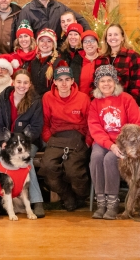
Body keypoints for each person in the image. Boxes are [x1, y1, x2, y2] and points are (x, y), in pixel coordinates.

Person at [88, 65, 140, 220]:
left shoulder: (126, 99)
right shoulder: (95, 103)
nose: (106, 84)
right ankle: (101, 202)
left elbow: (139, 125)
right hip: (104, 142)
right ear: (97, 84)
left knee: (109, 159)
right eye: (102, 81)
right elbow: (95, 129)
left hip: (125, 143)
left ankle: (113, 202)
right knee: (96, 157)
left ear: (115, 82)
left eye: (109, 80)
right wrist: (110, 145)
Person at [0, 69, 45, 219]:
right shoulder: (3, 99)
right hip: (7, 142)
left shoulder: (35, 101)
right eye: (19, 82)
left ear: (30, 84)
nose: (22, 85)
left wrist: (24, 143)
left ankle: (37, 201)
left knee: (26, 159)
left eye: (25, 82)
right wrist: (3, 141)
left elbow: (36, 127)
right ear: (13, 82)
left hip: (26, 142)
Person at [39, 66, 91, 211]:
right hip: (56, 138)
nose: (63, 84)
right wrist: (48, 139)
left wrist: (87, 142)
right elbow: (44, 122)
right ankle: (67, 196)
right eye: (60, 80)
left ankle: (81, 197)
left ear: (72, 81)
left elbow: (90, 123)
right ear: (54, 82)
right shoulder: (47, 98)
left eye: (67, 80)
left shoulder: (83, 98)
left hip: (77, 137)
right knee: (48, 167)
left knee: (73, 171)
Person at [18, 0, 89, 38]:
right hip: (37, 49)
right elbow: (20, 31)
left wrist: (88, 35)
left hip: (56, 48)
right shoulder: (27, 10)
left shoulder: (59, 7)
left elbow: (80, 19)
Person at [94, 23, 140, 105]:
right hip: (103, 104)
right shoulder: (100, 59)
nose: (112, 37)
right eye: (109, 35)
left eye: (116, 34)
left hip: (125, 104)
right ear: (106, 39)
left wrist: (129, 103)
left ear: (122, 37)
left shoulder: (133, 56)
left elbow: (138, 84)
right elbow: (96, 83)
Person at [30, 28, 67, 96]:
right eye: (42, 40)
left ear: (53, 45)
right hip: (35, 101)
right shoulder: (33, 62)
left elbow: (63, 87)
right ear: (38, 43)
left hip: (51, 101)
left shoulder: (60, 63)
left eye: (49, 41)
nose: (45, 44)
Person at [79, 30, 100, 96]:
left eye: (92, 40)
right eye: (85, 41)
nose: (89, 44)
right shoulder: (77, 61)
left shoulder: (104, 60)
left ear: (97, 44)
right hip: (82, 102)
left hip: (99, 101)